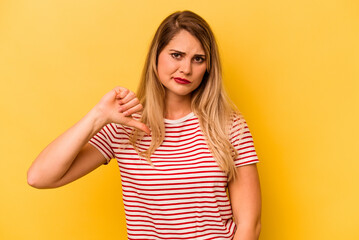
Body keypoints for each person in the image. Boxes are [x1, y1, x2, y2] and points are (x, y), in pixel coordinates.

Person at [27, 10, 261, 240]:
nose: (186, 69)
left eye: (198, 59)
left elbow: (250, 225)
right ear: (156, 56)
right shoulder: (124, 126)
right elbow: (39, 177)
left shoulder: (228, 126)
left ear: (208, 68)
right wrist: (98, 116)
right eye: (176, 55)